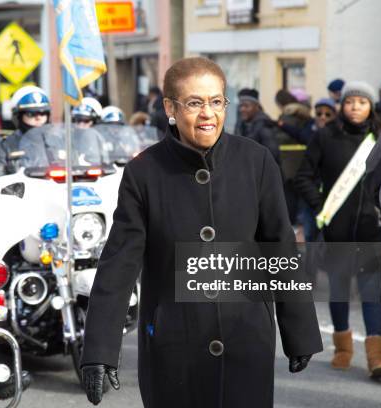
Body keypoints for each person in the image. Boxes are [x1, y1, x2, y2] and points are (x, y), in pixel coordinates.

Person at [80, 57, 322, 407]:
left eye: (216, 101)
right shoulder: (143, 172)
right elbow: (119, 263)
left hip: (246, 338)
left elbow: (279, 248)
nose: (208, 113)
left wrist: (298, 331)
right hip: (174, 345)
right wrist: (99, 348)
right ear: (170, 108)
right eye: (195, 103)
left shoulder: (256, 161)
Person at [295, 81, 381, 379]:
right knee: (339, 290)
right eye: (350, 102)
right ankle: (342, 348)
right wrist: (321, 207)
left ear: (371, 107)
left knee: (372, 291)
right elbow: (304, 177)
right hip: (336, 227)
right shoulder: (325, 136)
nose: (355, 107)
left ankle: (377, 357)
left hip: (369, 228)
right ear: (342, 105)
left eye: (362, 102)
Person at [0, 85, 50, 178]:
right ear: (18, 116)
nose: (38, 117)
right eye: (31, 113)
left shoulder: (59, 142)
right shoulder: (4, 146)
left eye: (43, 113)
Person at [235, 88, 281, 164]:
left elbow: (273, 154)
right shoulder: (241, 124)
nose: (242, 109)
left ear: (256, 106)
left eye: (246, 106)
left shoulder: (264, 125)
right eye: (241, 106)